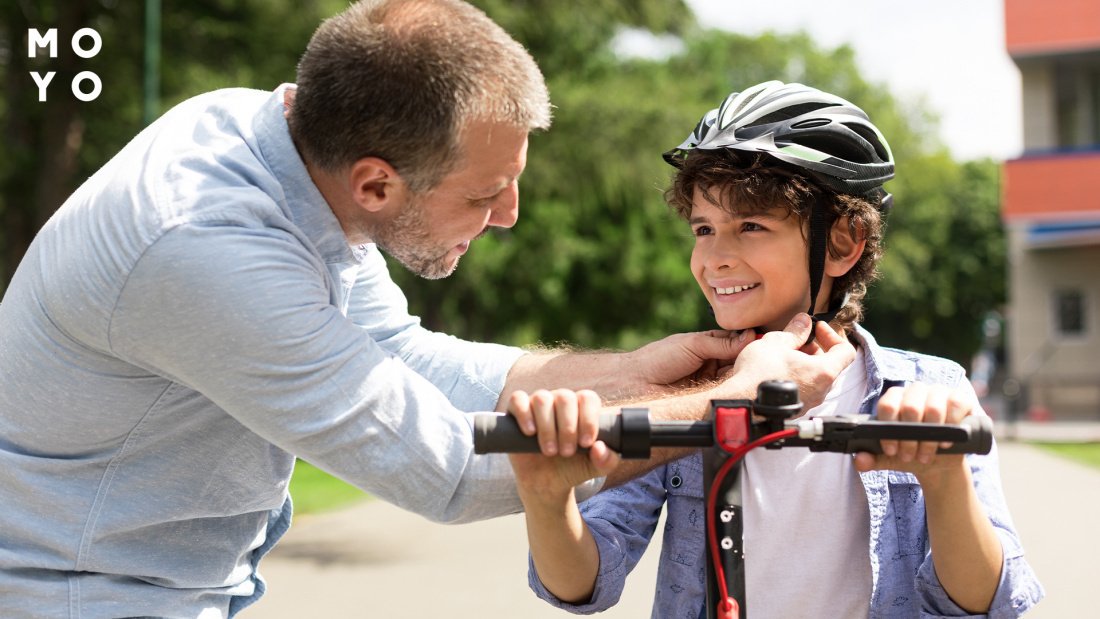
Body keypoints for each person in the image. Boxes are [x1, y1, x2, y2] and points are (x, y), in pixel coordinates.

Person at [0, 3, 858, 617]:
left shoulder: (276, 146)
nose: (511, 214)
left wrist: (632, 370)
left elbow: (406, 356)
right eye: (487, 193)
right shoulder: (204, 250)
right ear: (377, 182)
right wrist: (738, 403)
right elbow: (449, 470)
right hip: (83, 595)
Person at [508, 81, 1045, 618]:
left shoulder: (930, 391)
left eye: (750, 226)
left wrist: (944, 480)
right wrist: (548, 501)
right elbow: (585, 583)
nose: (713, 258)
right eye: (703, 228)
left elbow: (988, 601)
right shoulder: (686, 394)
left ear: (840, 244)